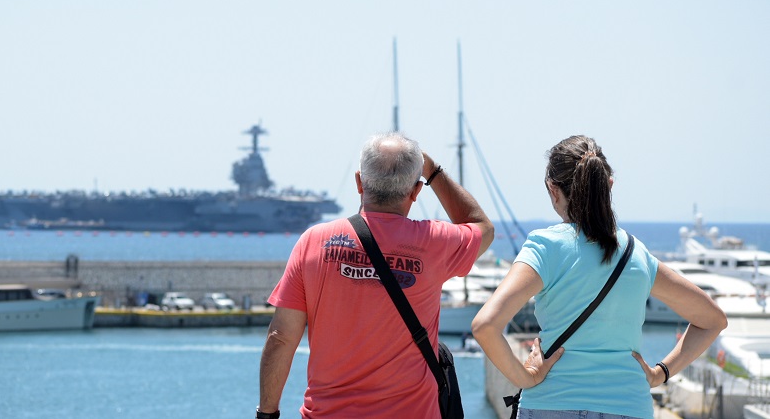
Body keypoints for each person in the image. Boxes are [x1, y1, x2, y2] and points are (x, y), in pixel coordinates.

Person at [471, 135, 728, 419]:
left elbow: (485, 325)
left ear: (552, 190)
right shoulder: (636, 254)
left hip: (551, 405)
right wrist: (660, 373)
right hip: (629, 407)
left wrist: (526, 377)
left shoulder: (545, 247)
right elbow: (713, 320)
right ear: (609, 185)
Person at [257, 132, 495, 418]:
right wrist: (432, 171)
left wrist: (267, 413)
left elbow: (281, 337)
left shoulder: (313, 242)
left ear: (359, 182)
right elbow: (482, 227)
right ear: (416, 191)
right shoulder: (435, 241)